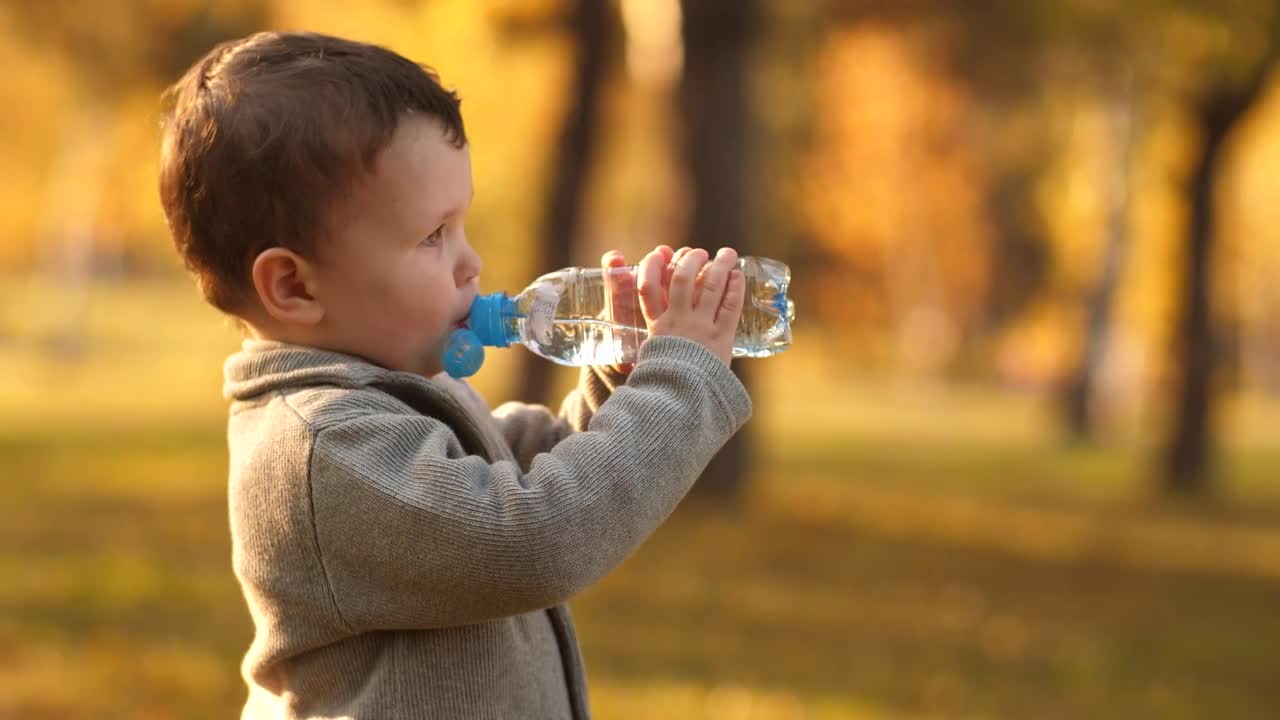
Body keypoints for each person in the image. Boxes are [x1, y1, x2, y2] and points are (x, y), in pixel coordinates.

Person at [158, 31, 751, 719]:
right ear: (293, 286)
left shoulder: (394, 394)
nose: (470, 264)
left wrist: (619, 382)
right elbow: (535, 538)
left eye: (461, 226)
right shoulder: (320, 448)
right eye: (433, 236)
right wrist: (679, 384)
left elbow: (534, 483)